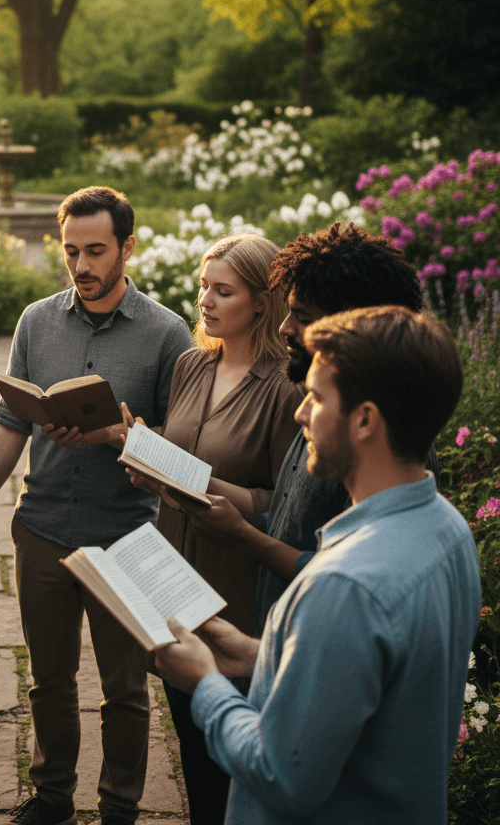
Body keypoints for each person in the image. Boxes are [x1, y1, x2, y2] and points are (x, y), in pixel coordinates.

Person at [153, 305, 478, 824]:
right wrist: (259, 655)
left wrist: (206, 683)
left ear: (365, 419)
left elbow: (282, 774)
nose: (302, 413)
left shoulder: (344, 584)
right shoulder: (446, 528)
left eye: (316, 398)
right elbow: (367, 682)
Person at [0, 186, 193, 825]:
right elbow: (9, 421)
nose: (81, 265)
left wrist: (118, 434)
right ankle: (53, 796)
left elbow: (184, 447)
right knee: (48, 680)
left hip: (127, 531)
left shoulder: (168, 333)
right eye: (70, 251)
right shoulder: (36, 321)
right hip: (45, 526)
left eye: (95, 251)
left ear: (127, 248)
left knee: (126, 688)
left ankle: (120, 806)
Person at [158, 223, 435, 638]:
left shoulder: (378, 441)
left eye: (302, 317)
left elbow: (347, 577)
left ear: (350, 326)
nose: (284, 326)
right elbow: (292, 520)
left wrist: (242, 533)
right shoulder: (315, 406)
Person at [123, 234, 298, 825]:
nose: (206, 300)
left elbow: (284, 502)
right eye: (204, 286)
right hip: (175, 572)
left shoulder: (285, 386)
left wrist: (204, 486)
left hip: (238, 583)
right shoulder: (192, 364)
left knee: (236, 758)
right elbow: (179, 456)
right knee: (192, 745)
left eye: (223, 291)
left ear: (262, 301)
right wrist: (148, 466)